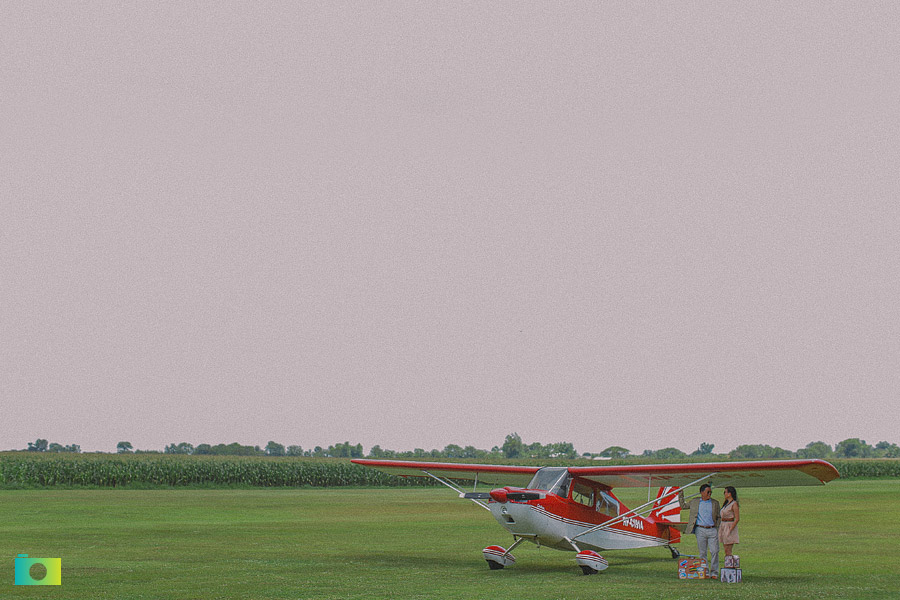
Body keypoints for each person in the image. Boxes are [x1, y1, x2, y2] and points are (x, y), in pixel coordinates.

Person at [678, 483, 720, 577]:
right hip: (700, 529)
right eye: (708, 492)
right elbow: (683, 506)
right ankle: (705, 572)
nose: (710, 494)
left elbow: (719, 516)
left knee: (715, 551)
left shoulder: (715, 503)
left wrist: (717, 527)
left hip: (712, 529)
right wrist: (680, 494)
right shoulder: (695, 501)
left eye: (711, 492)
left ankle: (714, 572)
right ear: (702, 492)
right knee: (702, 552)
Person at [719, 486, 740, 558]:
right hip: (723, 525)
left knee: (728, 550)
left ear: (730, 493)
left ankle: (730, 564)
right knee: (725, 549)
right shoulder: (726, 504)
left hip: (729, 525)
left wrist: (730, 529)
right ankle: (728, 564)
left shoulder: (734, 504)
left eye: (725, 492)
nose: (724, 494)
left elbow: (737, 518)